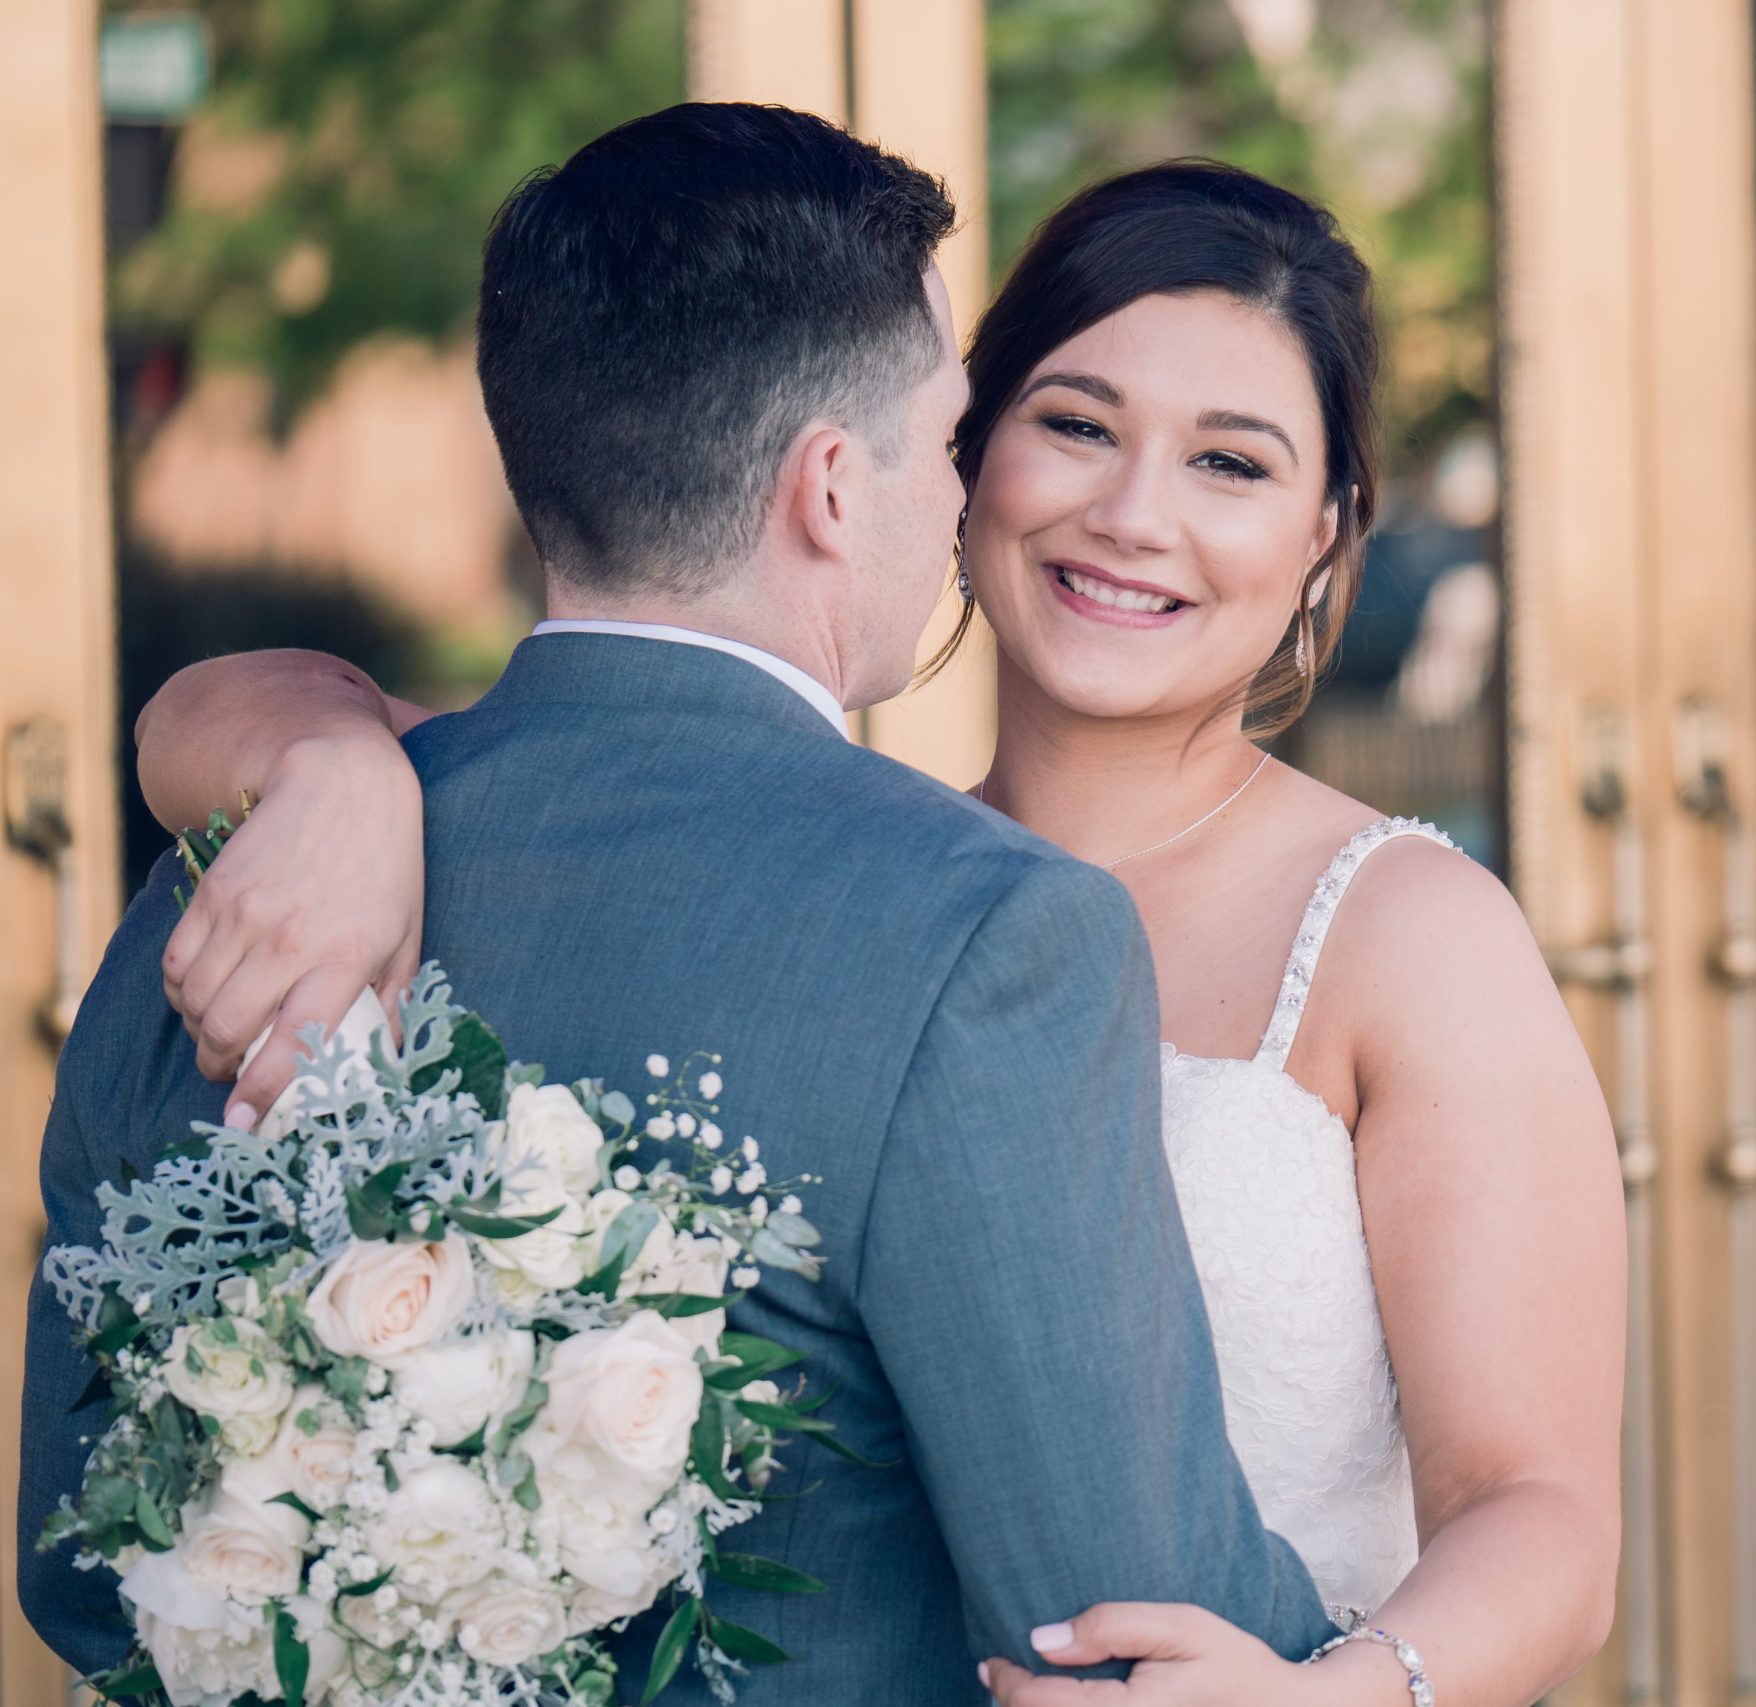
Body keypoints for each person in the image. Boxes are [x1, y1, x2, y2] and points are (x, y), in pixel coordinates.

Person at [132, 160, 1626, 1706]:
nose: (1132, 515)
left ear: (1327, 533)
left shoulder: (1410, 931)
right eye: (1077, 425)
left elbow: (1545, 1511)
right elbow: (240, 719)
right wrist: (334, 765)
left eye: (1230, 466)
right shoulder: (803, 864)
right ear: (955, 456)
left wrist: (1342, 1695)